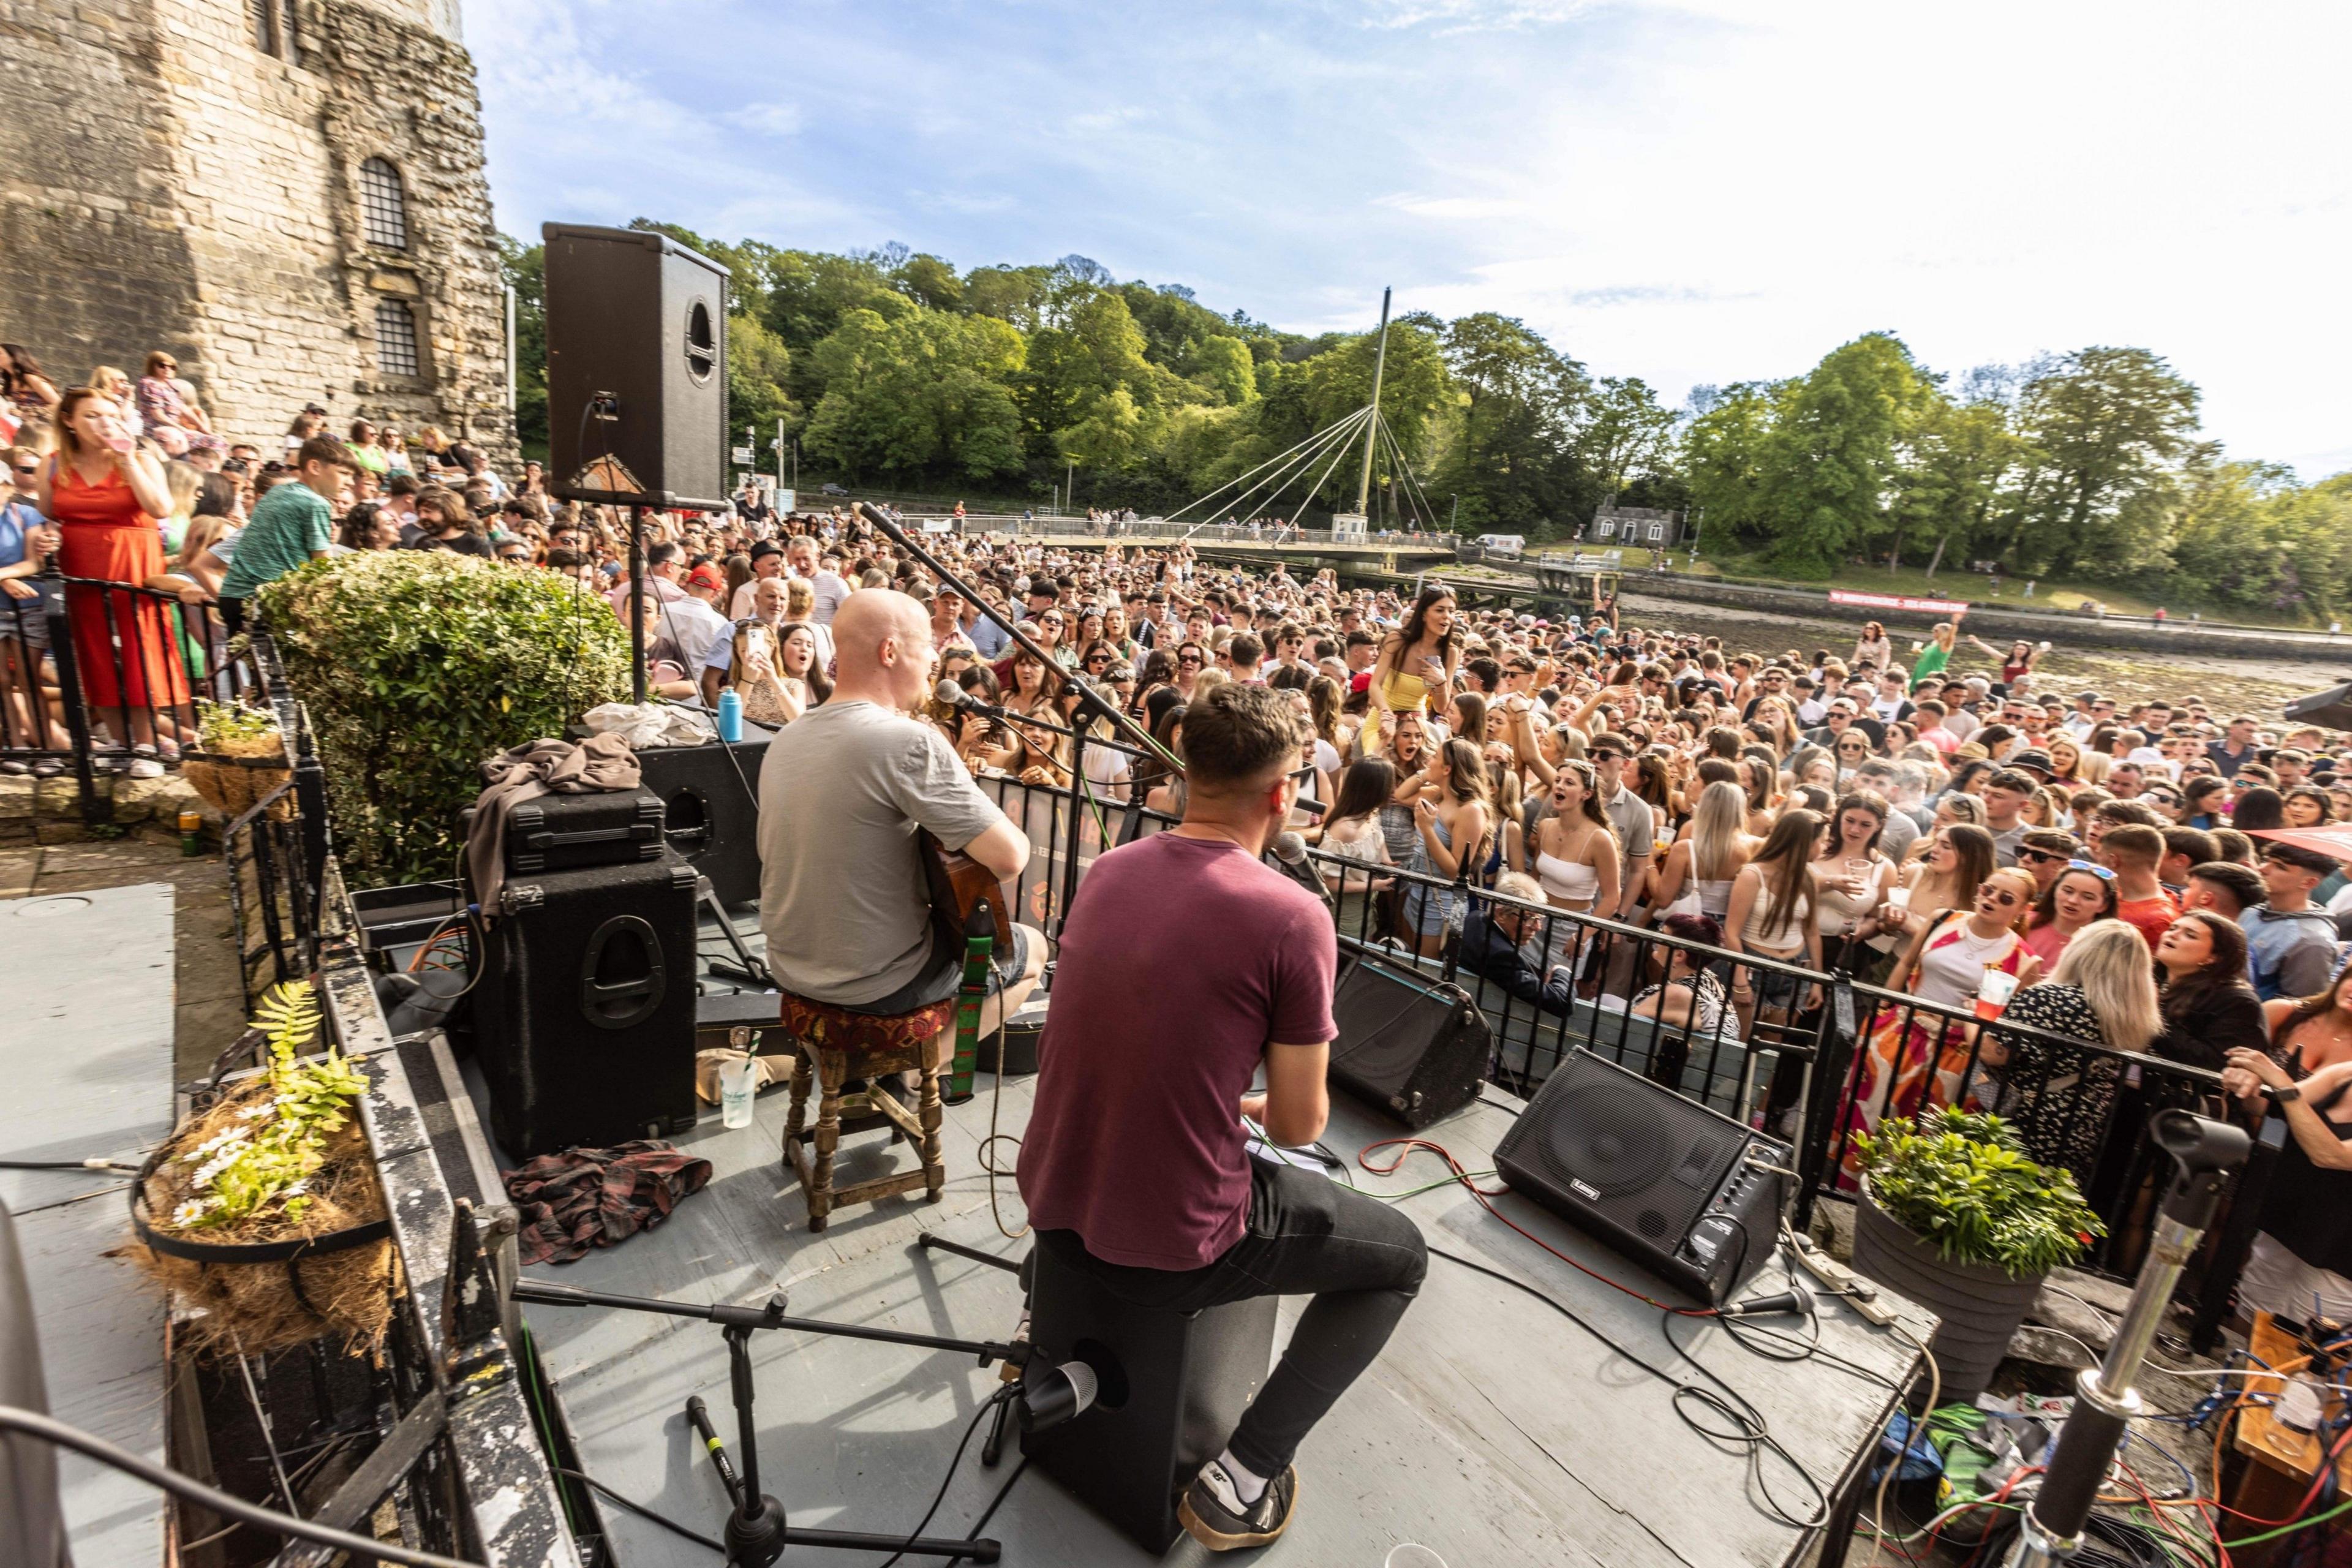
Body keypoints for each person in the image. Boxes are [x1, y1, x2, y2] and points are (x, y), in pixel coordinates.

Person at [1016, 681, 1425, 1551]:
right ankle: (1240, 1483)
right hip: (1175, 1244)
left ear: (1185, 768)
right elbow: (1298, 1127)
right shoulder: (1291, 915)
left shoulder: (1108, 873)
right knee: (1400, 1261)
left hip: (1051, 1202)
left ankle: (1037, 1317)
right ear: (1283, 792)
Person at [755, 589, 1042, 1035]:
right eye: (925, 646)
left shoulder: (787, 737)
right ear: (889, 651)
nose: (932, 659)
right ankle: (926, 1063)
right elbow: (1009, 859)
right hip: (876, 982)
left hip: (789, 968)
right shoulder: (904, 740)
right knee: (1034, 949)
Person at [1838, 866, 2042, 1185]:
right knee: (1868, 1116)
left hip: (1955, 1055)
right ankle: (1844, 1188)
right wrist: (1883, 1009)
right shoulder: (1943, 919)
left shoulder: (2025, 959)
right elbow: (1906, 962)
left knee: (1921, 1135)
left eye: (2005, 898)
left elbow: (2006, 1021)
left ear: (2021, 910)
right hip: (1901, 1033)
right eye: (1988, 890)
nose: (1992, 900)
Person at [36, 387, 190, 773]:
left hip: (133, 564)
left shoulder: (140, 459)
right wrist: (46, 537)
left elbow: (161, 508)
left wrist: (128, 460)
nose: (104, 422)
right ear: (69, 422)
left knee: (141, 648)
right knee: (94, 650)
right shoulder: (53, 465)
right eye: (91, 416)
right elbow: (48, 515)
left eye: (110, 414)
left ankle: (147, 742)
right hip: (79, 567)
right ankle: (122, 742)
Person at [1986, 922, 2159, 1174]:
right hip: (2079, 1126)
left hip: (2025, 1121)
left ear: (2081, 953)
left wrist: (1977, 1016)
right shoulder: (2133, 1017)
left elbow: (1993, 1053)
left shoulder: (2050, 999)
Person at [2150, 911, 2268, 1068]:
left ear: (2213, 957)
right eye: (2172, 928)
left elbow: (2215, 1062)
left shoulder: (2237, 1002)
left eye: (2190, 935)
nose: (2172, 935)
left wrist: (2152, 1014)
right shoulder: (2150, 978)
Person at [2241, 842, 2342, 1001]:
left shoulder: (2312, 940)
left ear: (2309, 883)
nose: (2263, 869)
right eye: (2267, 860)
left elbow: (2300, 1004)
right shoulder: (2251, 912)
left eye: (2280, 866)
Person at [1364, 583, 1459, 750]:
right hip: (1383, 720)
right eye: (1440, 610)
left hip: (1417, 727)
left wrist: (1440, 683)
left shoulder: (1451, 653)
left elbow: (1441, 707)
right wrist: (1387, 716)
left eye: (1451, 611)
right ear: (1423, 614)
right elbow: (1375, 686)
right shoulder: (1397, 640)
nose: (1447, 616)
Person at [2022, 860, 2119, 968]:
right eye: (2068, 891)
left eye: (2088, 897)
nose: (2073, 900)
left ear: (2103, 906)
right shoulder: (2023, 922)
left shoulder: (2104, 948)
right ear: (2055, 890)